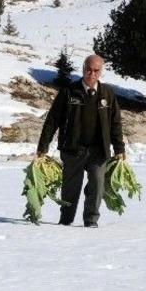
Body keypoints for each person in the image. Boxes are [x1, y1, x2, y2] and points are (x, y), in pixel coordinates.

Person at [36, 53, 125, 227]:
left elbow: (115, 123)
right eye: (88, 70)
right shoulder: (69, 91)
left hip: (98, 151)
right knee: (70, 188)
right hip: (73, 149)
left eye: (96, 70)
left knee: (97, 184)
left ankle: (91, 220)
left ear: (101, 72)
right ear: (83, 69)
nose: (92, 74)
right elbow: (53, 120)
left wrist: (119, 148)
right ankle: (66, 220)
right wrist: (43, 146)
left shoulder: (107, 93)